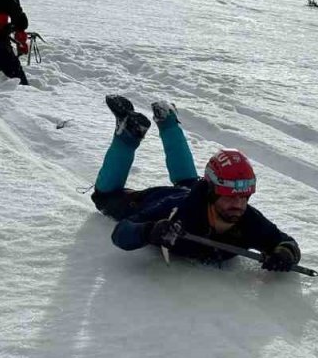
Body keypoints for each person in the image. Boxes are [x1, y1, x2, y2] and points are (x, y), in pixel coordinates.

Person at [89, 95, 301, 271]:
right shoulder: (177, 212)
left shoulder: (249, 221)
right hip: (157, 198)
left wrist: (284, 254)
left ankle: (168, 121)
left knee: (189, 182)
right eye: (229, 196)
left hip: (193, 190)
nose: (238, 204)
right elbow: (122, 233)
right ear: (212, 192)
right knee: (104, 197)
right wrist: (150, 231)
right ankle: (128, 136)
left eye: (244, 197)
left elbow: (286, 242)